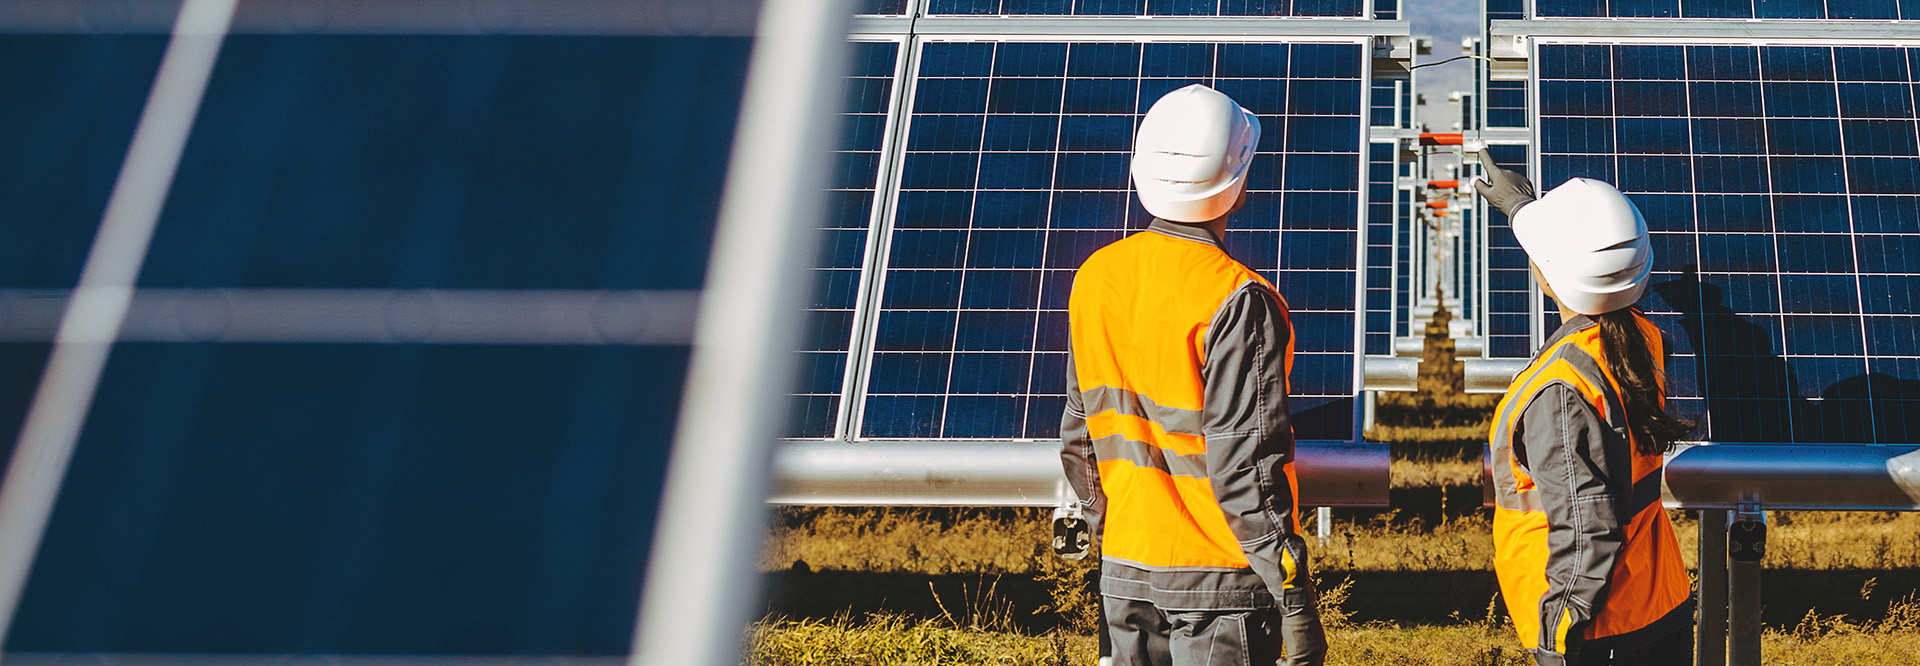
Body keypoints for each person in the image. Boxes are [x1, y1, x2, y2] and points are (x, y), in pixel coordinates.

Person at [1059, 84, 1327, 666]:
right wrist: (1294, 594)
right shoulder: (1237, 298)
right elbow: (1246, 470)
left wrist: (1114, 537)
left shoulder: (1096, 277)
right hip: (1219, 584)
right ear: (1239, 181)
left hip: (1126, 573)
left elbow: (1080, 440)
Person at [1474, 150, 1696, 666]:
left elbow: (1583, 531)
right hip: (1657, 599)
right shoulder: (1640, 338)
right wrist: (1522, 209)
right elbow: (1597, 261)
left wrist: (1557, 637)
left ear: (1549, 274)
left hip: (1598, 631)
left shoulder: (1561, 393)